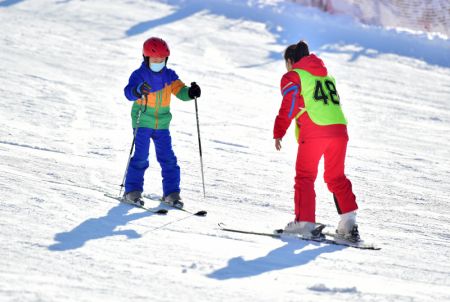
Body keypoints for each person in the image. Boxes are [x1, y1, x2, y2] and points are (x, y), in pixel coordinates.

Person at [273, 40, 360, 242]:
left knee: (305, 176)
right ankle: (348, 224)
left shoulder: (293, 75)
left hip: (315, 130)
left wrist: (279, 131)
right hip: (339, 129)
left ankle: (304, 223)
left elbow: (290, 105)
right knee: (335, 176)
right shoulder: (326, 76)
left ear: (290, 60)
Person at [123, 37, 201, 208]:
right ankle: (132, 191)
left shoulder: (169, 75)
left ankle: (172, 193)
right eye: (154, 59)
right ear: (146, 58)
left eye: (161, 59)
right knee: (141, 157)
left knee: (168, 159)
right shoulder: (139, 75)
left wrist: (191, 93)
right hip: (142, 121)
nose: (158, 62)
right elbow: (128, 93)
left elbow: (180, 91)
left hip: (162, 124)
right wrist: (137, 90)